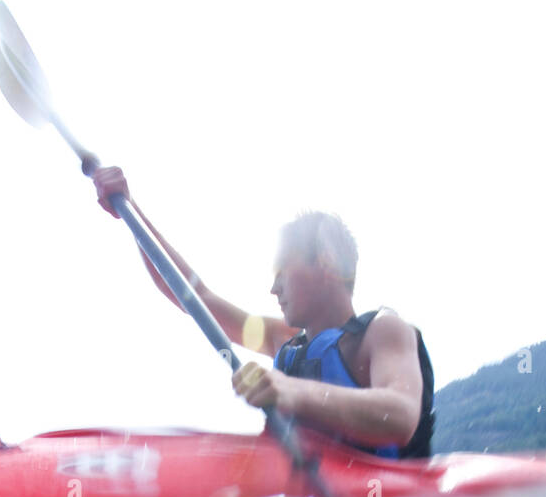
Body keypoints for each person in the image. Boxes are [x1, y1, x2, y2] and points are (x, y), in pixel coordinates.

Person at [92, 166, 434, 458]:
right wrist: (129, 211)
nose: (274, 289)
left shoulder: (384, 331)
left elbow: (401, 416)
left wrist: (292, 391)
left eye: (282, 271)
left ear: (328, 261)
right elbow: (194, 296)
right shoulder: (281, 340)